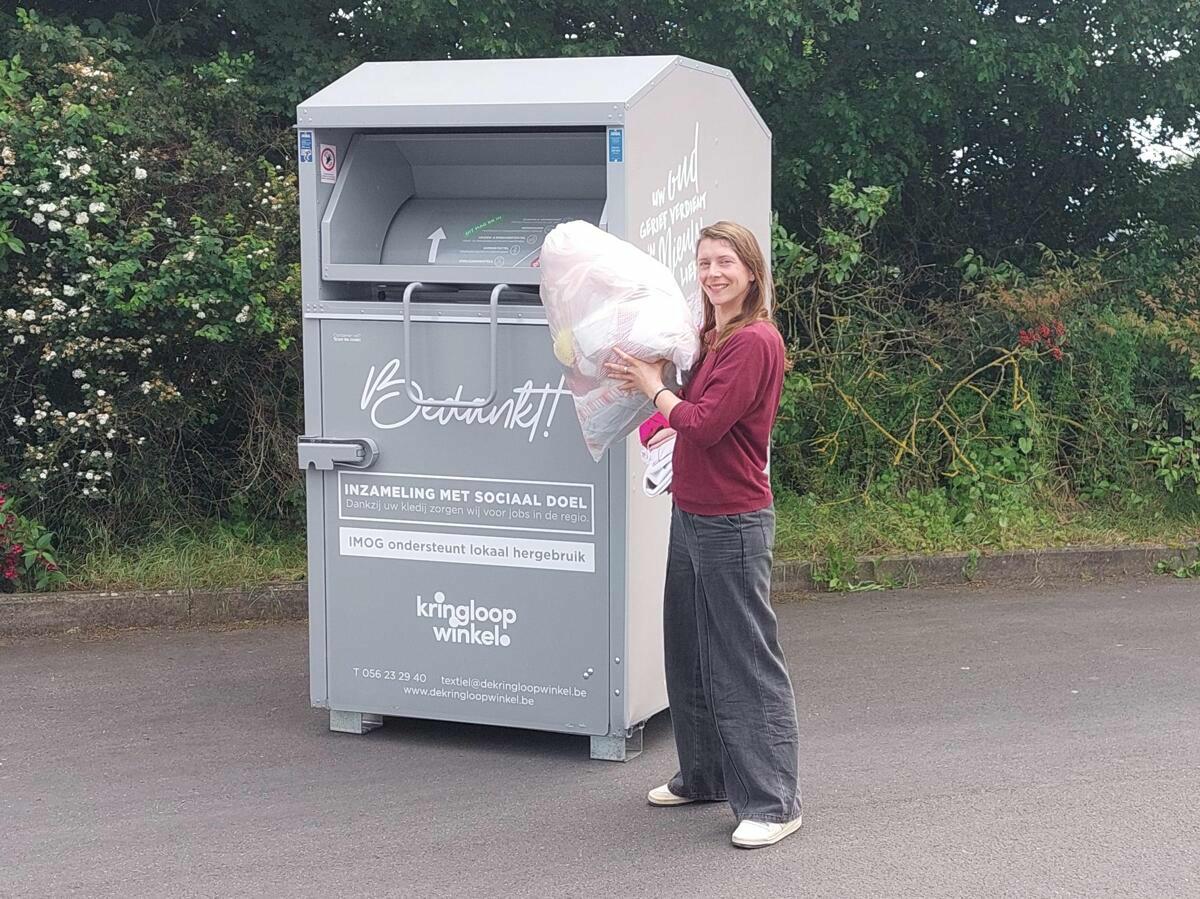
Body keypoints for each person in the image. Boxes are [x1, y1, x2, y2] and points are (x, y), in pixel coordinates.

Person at [605, 220, 802, 849]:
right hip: (692, 511)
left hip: (734, 520)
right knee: (688, 647)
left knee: (743, 657)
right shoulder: (714, 336)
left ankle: (773, 802)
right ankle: (705, 776)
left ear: (751, 272)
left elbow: (706, 423)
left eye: (726, 263)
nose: (713, 274)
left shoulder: (755, 342)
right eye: (705, 263)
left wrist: (652, 388)